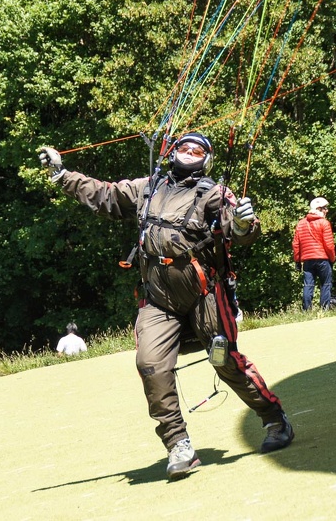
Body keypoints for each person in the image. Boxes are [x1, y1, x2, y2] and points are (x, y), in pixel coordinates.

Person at [38, 132, 293, 481]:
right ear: (172, 153)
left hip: (204, 295)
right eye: (184, 147)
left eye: (198, 149)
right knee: (150, 364)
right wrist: (62, 176)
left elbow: (238, 231)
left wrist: (247, 222)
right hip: (158, 297)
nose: (190, 152)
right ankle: (178, 444)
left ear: (207, 160)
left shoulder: (214, 194)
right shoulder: (147, 188)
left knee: (226, 362)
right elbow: (105, 195)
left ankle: (274, 419)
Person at [292, 196, 336, 310]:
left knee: (308, 285)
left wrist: (297, 260)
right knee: (326, 284)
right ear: (319, 209)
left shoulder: (301, 223)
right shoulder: (324, 223)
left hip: (307, 260)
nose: (327, 211)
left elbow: (296, 244)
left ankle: (306, 310)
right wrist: (332, 259)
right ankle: (324, 309)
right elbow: (329, 245)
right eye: (325, 208)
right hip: (322, 259)